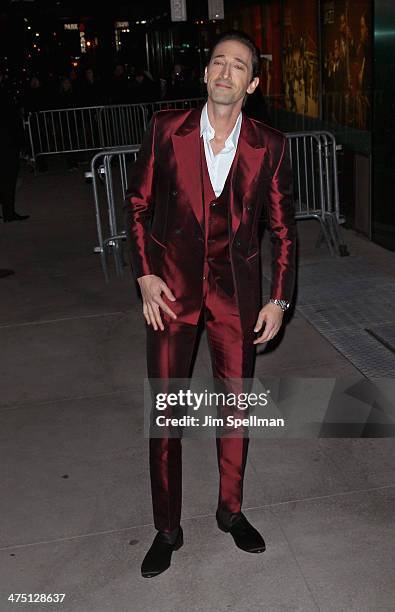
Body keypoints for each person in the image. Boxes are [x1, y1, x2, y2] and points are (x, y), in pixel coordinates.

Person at [124, 30, 297, 578]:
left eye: (238, 66)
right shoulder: (164, 130)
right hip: (172, 294)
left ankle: (231, 510)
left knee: (236, 410)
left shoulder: (269, 144)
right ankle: (167, 527)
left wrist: (278, 299)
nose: (226, 72)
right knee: (167, 414)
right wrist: (145, 276)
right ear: (204, 74)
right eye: (217, 62)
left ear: (253, 83)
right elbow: (136, 207)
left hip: (237, 299)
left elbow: (284, 232)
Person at [0, 75, 29, 222]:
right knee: (8, 179)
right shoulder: (6, 95)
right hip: (7, 143)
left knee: (6, 179)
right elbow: (12, 120)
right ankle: (8, 213)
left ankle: (8, 211)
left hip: (7, 142)